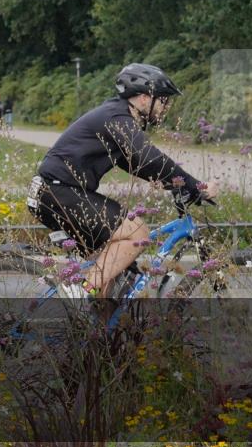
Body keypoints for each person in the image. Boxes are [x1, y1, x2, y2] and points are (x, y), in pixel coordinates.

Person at [26, 63, 220, 298]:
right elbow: (149, 156)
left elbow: (141, 165)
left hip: (56, 193)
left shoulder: (118, 118)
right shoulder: (116, 117)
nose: (165, 107)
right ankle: (80, 294)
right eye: (162, 100)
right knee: (138, 233)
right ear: (144, 98)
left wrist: (177, 186)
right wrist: (196, 185)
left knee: (112, 269)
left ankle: (96, 331)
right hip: (59, 192)